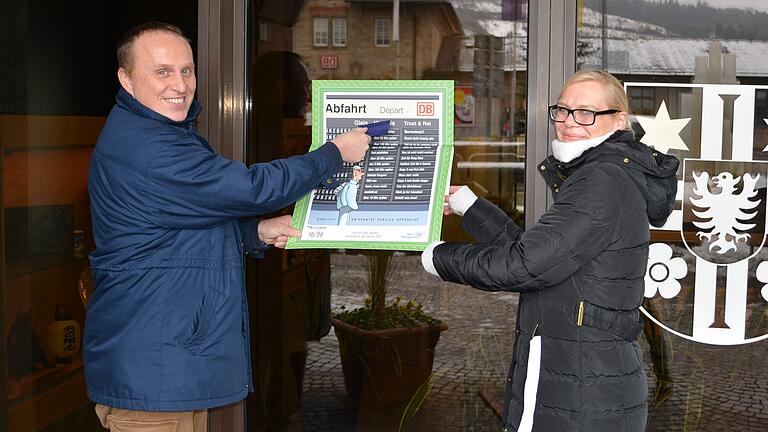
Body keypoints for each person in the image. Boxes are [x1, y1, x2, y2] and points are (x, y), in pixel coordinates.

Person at [85, 22, 370, 430]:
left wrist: (255, 232)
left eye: (187, 70)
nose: (180, 85)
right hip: (155, 371)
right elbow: (252, 188)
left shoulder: (159, 133)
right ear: (126, 79)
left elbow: (176, 228)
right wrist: (333, 154)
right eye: (162, 71)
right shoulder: (150, 148)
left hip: (167, 364)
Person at [421, 69, 679, 431]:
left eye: (586, 113)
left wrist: (438, 256)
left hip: (582, 391)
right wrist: (470, 206)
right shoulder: (597, 174)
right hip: (580, 377)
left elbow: (525, 265)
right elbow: (541, 253)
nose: (570, 122)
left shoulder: (600, 180)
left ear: (619, 120)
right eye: (563, 110)